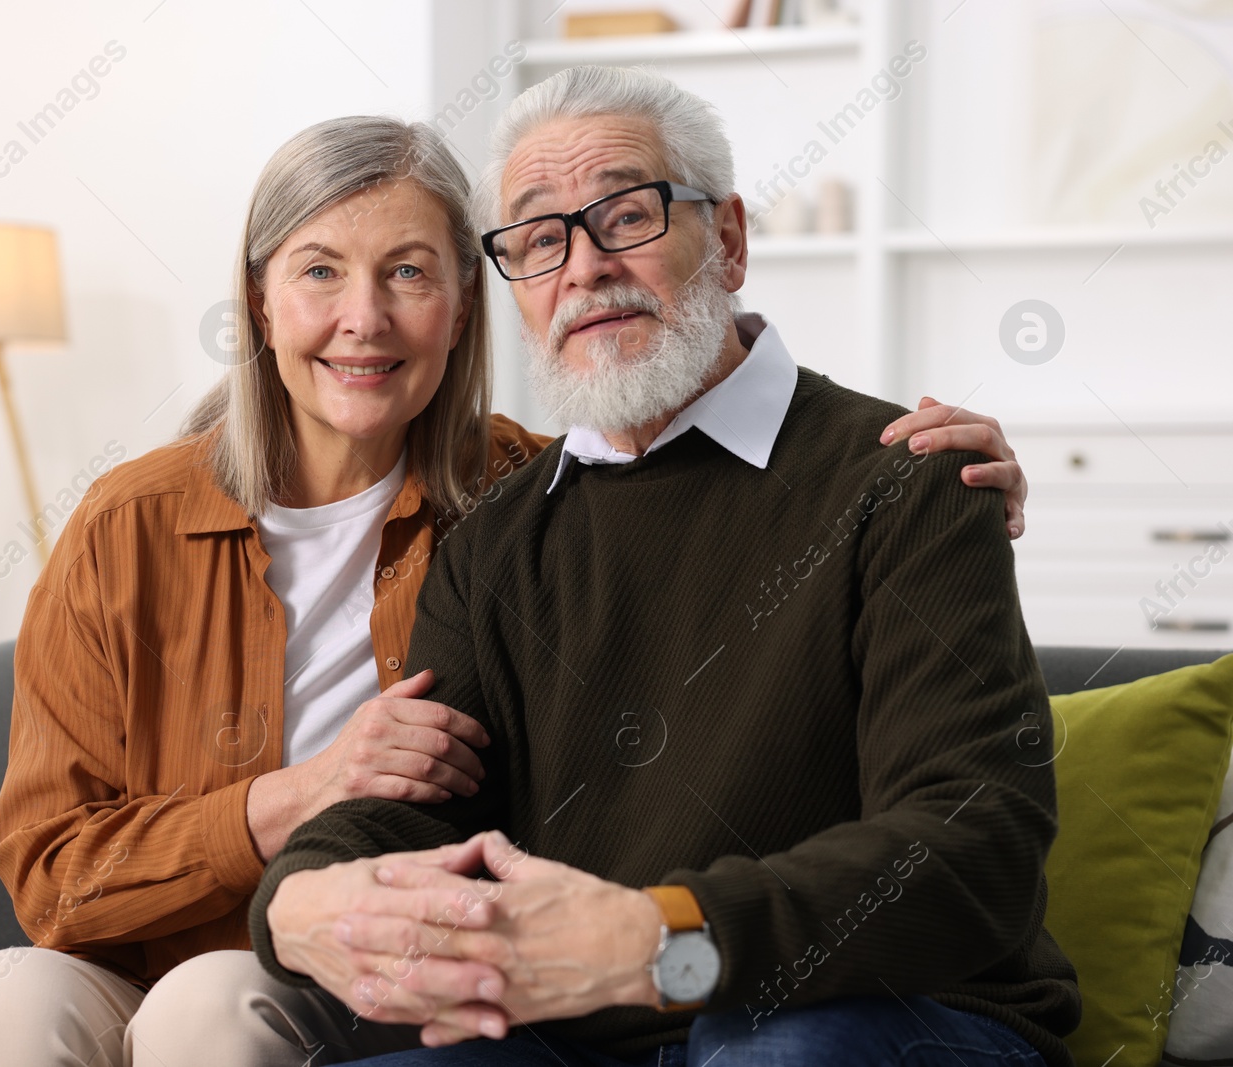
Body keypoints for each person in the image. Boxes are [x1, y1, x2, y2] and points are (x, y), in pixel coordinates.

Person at [0, 110, 1033, 1067]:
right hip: (177, 945)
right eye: (318, 270)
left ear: (463, 302)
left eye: (407, 271)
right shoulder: (132, 520)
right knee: (16, 998)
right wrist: (291, 817)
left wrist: (931, 479)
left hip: (349, 979)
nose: (363, 318)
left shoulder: (514, 495)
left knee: (208, 1005)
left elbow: (693, 444)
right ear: (259, 300)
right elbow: (51, 875)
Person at [245, 67, 1081, 1067]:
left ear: (726, 240)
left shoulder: (910, 479)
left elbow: (973, 843)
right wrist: (292, 899)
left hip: (888, 1012)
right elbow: (407, 806)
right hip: (588, 1036)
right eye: (539, 238)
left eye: (626, 214)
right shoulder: (495, 541)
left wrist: (661, 940)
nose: (584, 267)